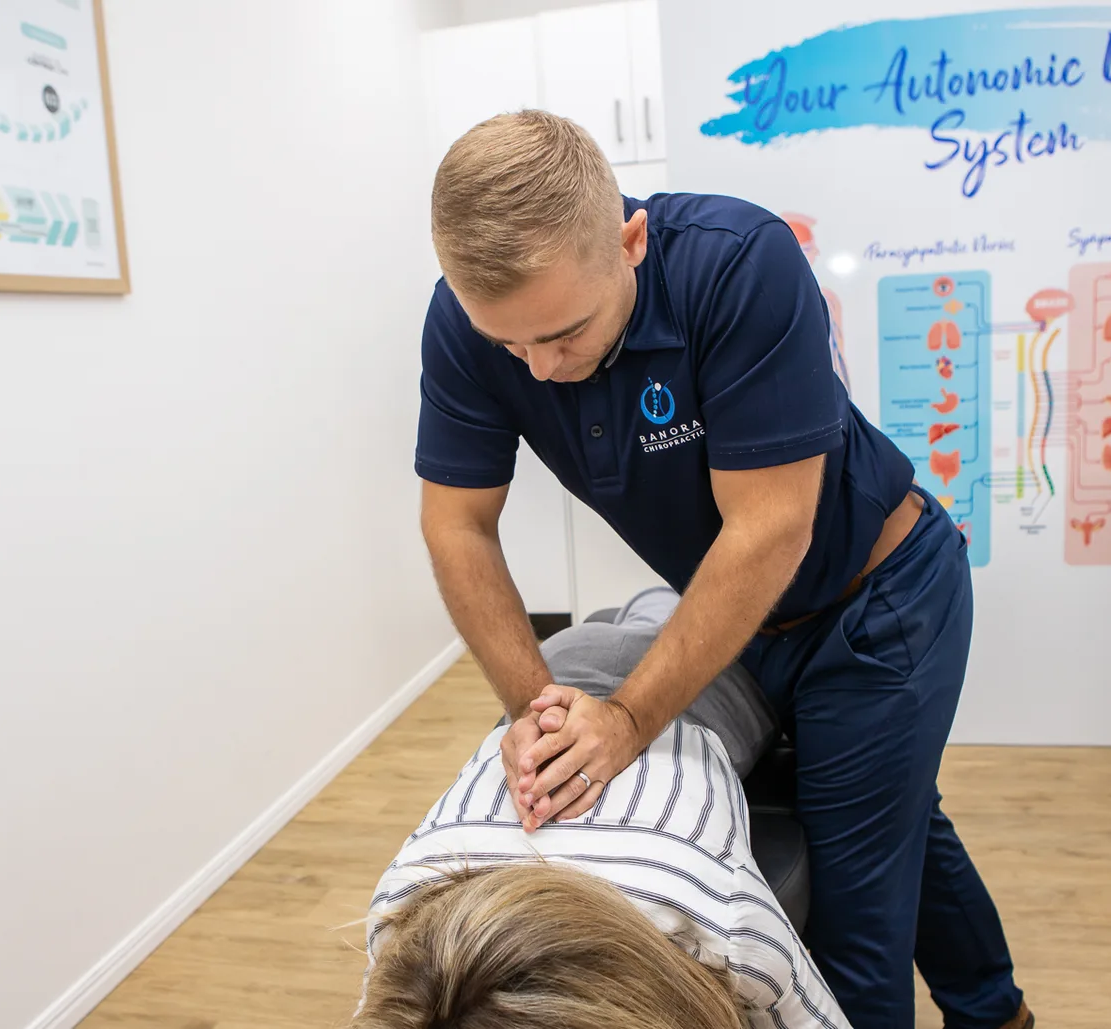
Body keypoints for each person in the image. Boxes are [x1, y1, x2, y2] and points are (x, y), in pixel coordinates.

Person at [414, 108, 1031, 1029]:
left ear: (630, 242)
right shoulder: (470, 324)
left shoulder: (739, 263)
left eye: (565, 333)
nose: (540, 369)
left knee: (848, 940)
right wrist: (534, 708)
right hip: (754, 623)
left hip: (877, 598)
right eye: (512, 346)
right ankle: (996, 1013)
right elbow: (457, 524)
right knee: (897, 825)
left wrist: (623, 719)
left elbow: (771, 529)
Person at [353, 590, 848, 1029]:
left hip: (694, 702)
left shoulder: (713, 921)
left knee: (668, 613)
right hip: (559, 665)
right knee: (637, 615)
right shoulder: (402, 914)